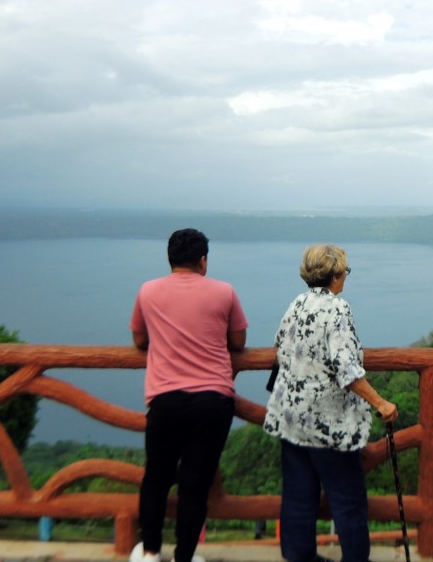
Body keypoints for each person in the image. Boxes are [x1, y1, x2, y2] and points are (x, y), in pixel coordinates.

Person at [264, 243, 398, 562]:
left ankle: (299, 557)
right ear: (336, 275)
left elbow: (280, 344)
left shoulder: (296, 303)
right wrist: (381, 403)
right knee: (347, 500)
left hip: (293, 417)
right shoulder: (337, 308)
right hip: (329, 424)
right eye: (344, 272)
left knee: (298, 496)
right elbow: (347, 369)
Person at [128, 228, 249, 562]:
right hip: (213, 400)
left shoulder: (148, 291)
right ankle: (185, 556)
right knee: (196, 483)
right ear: (203, 260)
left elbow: (139, 340)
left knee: (156, 477)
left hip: (165, 398)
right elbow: (238, 342)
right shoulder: (224, 292)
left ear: (170, 259)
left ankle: (150, 551)